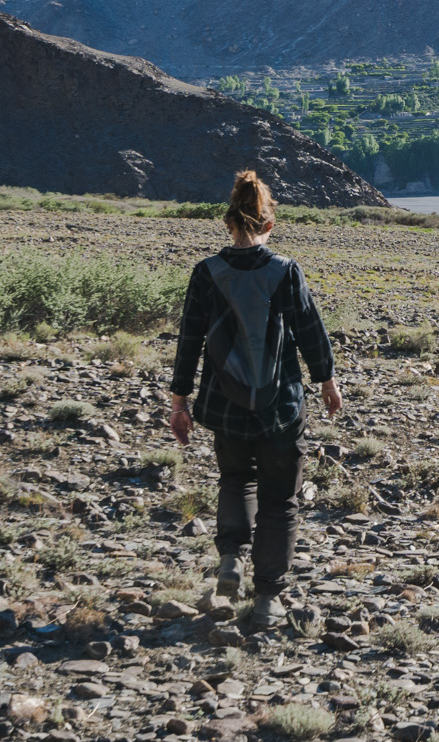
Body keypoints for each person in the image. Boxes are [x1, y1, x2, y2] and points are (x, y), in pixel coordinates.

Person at [169, 170, 342, 629]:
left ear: (228, 223)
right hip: (280, 406)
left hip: (224, 405)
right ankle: (267, 599)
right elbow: (310, 330)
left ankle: (231, 559)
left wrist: (179, 402)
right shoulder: (285, 270)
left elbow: (189, 339)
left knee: (235, 480)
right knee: (280, 500)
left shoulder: (206, 272)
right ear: (268, 225)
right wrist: (326, 381)